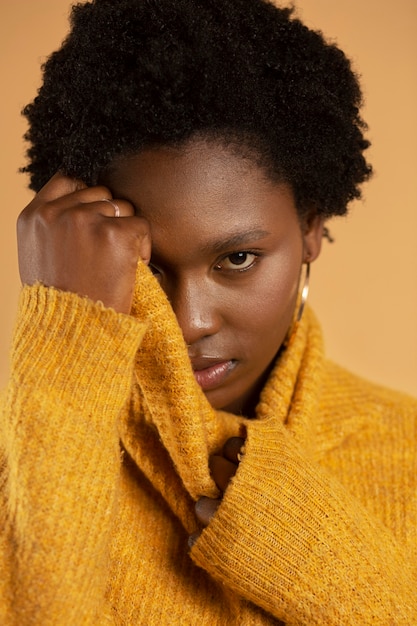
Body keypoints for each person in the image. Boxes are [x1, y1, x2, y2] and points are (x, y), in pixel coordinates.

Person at [1, 0, 416, 623]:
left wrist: (341, 582)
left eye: (239, 259)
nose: (190, 321)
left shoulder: (407, 447)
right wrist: (68, 333)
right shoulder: (25, 464)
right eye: (147, 270)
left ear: (310, 229)